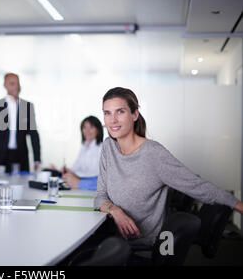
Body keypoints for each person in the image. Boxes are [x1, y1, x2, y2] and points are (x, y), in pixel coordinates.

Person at [94, 87, 243, 247]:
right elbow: (100, 196)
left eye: (120, 112)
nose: (112, 120)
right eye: (107, 113)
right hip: (110, 236)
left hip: (139, 245)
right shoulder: (108, 147)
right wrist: (116, 211)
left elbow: (197, 186)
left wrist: (237, 204)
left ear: (134, 114)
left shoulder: (153, 154)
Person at [0, 73, 41, 173]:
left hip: (20, 157)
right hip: (0, 158)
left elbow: (34, 135)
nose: (16, 87)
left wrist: (37, 159)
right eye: (12, 84)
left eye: (18, 83)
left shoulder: (26, 106)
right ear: (5, 85)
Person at [63, 116, 103, 190]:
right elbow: (76, 166)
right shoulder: (84, 146)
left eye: (91, 127)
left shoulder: (103, 148)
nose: (87, 131)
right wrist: (67, 171)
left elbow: (95, 174)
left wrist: (76, 177)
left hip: (91, 185)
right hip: (80, 183)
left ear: (98, 129)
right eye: (84, 127)